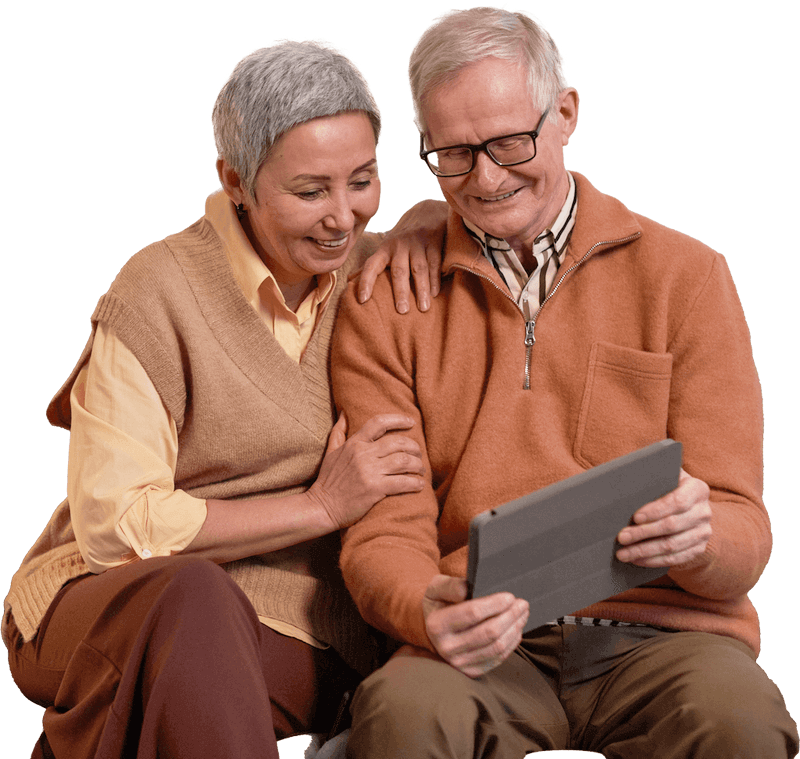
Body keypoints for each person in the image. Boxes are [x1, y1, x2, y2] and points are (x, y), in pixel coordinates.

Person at [330, 7, 799, 758]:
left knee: (741, 721)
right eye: (452, 154)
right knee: (403, 712)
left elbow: (745, 525)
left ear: (567, 113)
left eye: (511, 142)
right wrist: (425, 607)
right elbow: (385, 526)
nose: (485, 178)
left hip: (661, 635)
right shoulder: (389, 298)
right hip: (485, 638)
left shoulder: (689, 277)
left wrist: (702, 535)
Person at [2, 38, 445, 759]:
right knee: (194, 598)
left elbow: (479, 227)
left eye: (362, 180)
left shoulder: (382, 271)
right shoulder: (156, 292)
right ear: (234, 180)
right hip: (103, 599)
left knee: (163, 690)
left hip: (296, 626)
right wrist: (320, 507)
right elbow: (116, 524)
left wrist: (432, 221)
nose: (343, 216)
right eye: (310, 191)